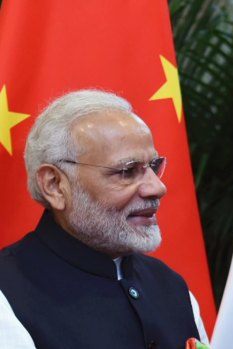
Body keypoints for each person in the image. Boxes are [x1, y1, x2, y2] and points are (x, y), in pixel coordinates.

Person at [0, 90, 210, 348]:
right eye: (127, 171)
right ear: (54, 185)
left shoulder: (172, 288)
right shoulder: (7, 297)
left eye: (153, 167)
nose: (157, 188)